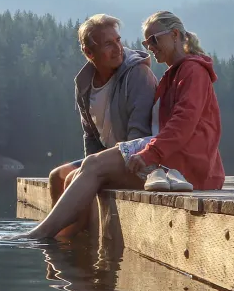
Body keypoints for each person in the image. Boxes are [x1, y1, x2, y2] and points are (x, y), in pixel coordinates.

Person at [18, 10, 225, 240]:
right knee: (78, 172)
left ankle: (42, 235)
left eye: (154, 40)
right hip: (171, 162)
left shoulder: (193, 71)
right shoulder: (173, 74)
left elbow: (182, 125)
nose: (149, 47)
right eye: (146, 42)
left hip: (187, 168)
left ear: (175, 34)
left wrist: (148, 154)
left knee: (93, 166)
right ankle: (65, 244)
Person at [48, 14, 158, 208]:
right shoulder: (84, 84)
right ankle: (66, 237)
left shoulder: (138, 74)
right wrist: (92, 166)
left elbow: (139, 135)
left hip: (139, 162)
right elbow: (90, 136)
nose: (118, 49)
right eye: (108, 44)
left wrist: (100, 170)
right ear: (89, 52)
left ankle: (67, 233)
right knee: (57, 176)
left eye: (118, 41)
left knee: (73, 179)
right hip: (107, 159)